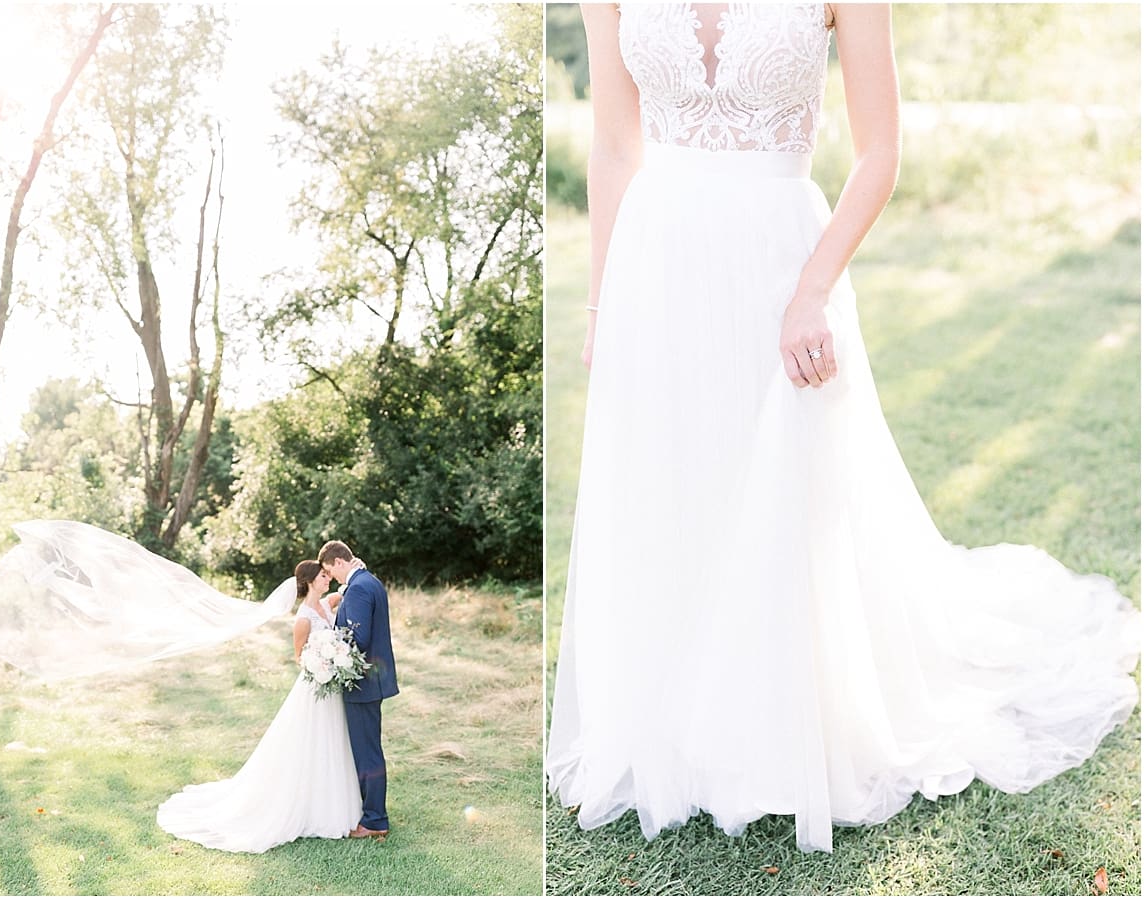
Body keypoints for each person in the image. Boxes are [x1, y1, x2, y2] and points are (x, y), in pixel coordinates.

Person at [546, 3, 1139, 854]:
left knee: (786, 498)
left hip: (782, 263)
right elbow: (613, 145)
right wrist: (603, 305)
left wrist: (812, 291)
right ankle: (677, 725)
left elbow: (879, 152)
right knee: (674, 495)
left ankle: (780, 724)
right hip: (657, 265)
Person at [157, 559, 363, 853]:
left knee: (333, 740)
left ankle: (333, 801)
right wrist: (323, 663)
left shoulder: (326, 604)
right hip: (315, 685)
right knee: (310, 742)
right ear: (309, 582)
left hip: (331, 688)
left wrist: (355, 571)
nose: (327, 578)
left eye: (328, 574)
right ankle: (307, 804)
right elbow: (299, 657)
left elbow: (343, 592)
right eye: (323, 575)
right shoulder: (303, 618)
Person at [319, 540, 399, 839]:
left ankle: (375, 820)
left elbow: (357, 638)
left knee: (367, 753)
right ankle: (370, 812)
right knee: (368, 749)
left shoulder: (359, 588)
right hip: (370, 681)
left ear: (339, 562)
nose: (332, 578)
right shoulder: (368, 581)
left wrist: (329, 648)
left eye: (331, 571)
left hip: (363, 683)